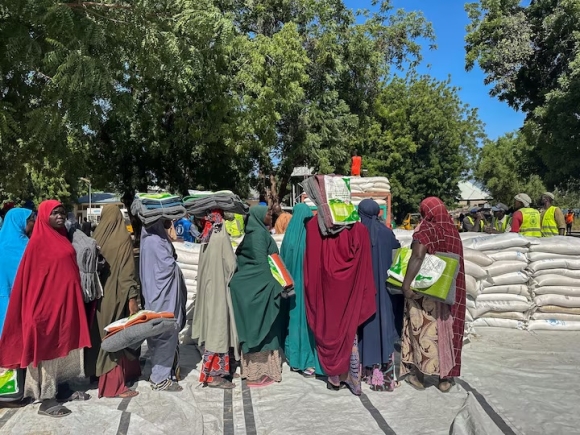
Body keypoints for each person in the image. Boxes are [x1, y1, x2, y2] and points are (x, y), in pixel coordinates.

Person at [0, 200, 91, 417]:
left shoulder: (59, 238)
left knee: (63, 349)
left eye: (61, 212)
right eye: (54, 213)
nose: (60, 216)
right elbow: (30, 283)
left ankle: (61, 388)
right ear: (43, 217)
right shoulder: (36, 245)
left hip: (63, 307)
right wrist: (37, 312)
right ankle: (46, 399)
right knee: (47, 353)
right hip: (44, 311)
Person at [303, 212, 376, 396]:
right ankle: (352, 378)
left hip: (327, 296)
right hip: (351, 294)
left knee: (330, 329)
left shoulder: (318, 228)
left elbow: (311, 263)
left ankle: (333, 378)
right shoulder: (359, 230)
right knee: (350, 334)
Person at [400, 197, 466, 393]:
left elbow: (418, 255)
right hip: (449, 290)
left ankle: (419, 376)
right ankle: (445, 379)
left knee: (424, 330)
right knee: (448, 330)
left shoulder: (426, 229)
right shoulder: (453, 231)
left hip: (427, 290)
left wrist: (406, 285)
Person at [87, 205, 141, 398]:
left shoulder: (95, 236)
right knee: (113, 336)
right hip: (116, 295)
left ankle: (95, 374)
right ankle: (113, 386)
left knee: (97, 333)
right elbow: (127, 273)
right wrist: (132, 298)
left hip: (96, 296)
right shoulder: (122, 238)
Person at [229, 206, 284, 388]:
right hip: (259, 288)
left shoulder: (253, 233)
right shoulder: (259, 235)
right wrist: (278, 286)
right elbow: (262, 265)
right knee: (264, 329)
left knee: (254, 325)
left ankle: (253, 372)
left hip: (249, 288)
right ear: (259, 216)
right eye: (268, 213)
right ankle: (258, 374)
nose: (270, 216)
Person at [192, 210, 239, 389]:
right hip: (219, 288)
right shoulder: (220, 235)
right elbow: (231, 263)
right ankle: (213, 375)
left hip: (208, 289)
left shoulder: (206, 234)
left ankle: (221, 370)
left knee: (214, 327)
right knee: (218, 331)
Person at [357, 199, 401, 392]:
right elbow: (397, 250)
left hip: (364, 290)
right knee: (384, 326)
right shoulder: (386, 232)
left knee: (366, 327)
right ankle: (384, 377)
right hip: (385, 290)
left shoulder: (357, 231)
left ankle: (366, 372)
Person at [140, 219, 186, 392]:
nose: (169, 222)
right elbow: (166, 267)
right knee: (165, 332)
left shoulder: (149, 239)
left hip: (153, 292)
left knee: (158, 333)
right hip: (163, 294)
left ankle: (162, 371)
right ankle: (160, 378)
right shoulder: (155, 241)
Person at [280, 203, 322, 378]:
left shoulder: (289, 236)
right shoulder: (314, 236)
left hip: (292, 288)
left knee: (294, 321)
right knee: (309, 323)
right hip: (310, 288)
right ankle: (308, 360)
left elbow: (281, 261)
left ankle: (294, 359)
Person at [0, 209, 35, 335]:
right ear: (20, 222)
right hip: (21, 297)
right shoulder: (28, 246)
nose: (34, 223)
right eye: (31, 220)